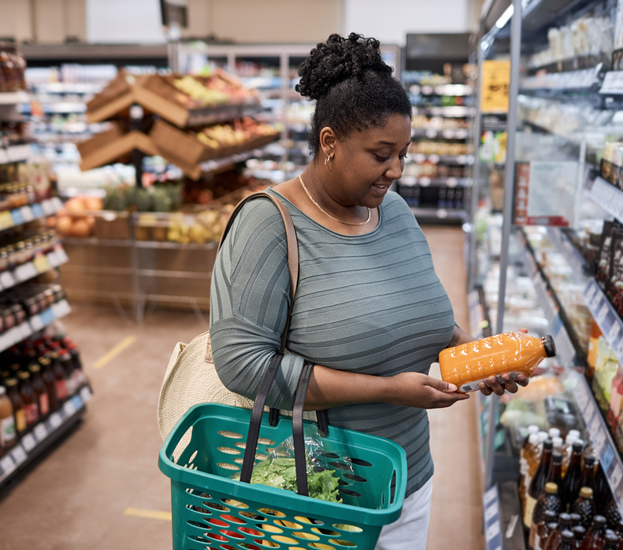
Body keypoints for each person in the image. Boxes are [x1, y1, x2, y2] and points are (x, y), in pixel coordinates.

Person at [209, 33, 526, 549]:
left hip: (406, 478)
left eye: (403, 153)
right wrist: (385, 389)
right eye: (382, 154)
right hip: (315, 492)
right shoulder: (269, 225)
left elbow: (417, 315)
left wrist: (471, 351)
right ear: (330, 143)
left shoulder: (395, 213)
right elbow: (242, 363)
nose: (397, 171)